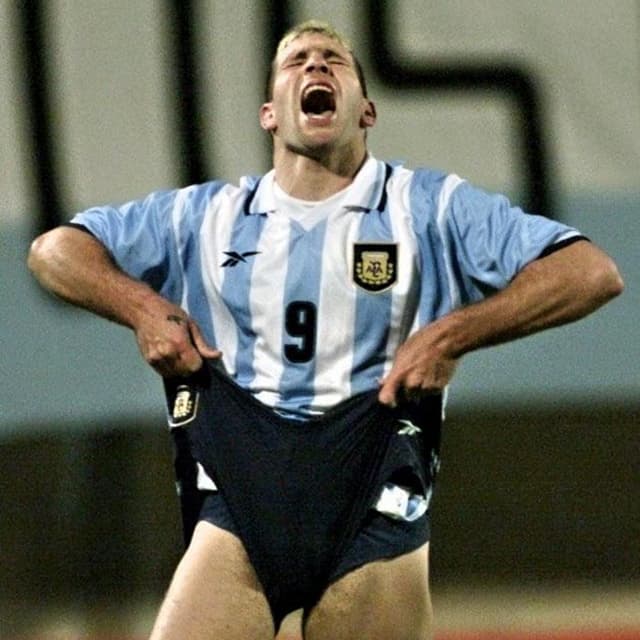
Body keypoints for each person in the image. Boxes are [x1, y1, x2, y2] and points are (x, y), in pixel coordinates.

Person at [28, 19, 623, 640]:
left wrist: (453, 334)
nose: (315, 67)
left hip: (375, 492)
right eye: (296, 61)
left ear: (366, 110)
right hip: (240, 493)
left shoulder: (430, 207)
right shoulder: (206, 215)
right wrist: (143, 310)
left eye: (333, 60)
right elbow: (55, 251)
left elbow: (590, 273)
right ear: (269, 115)